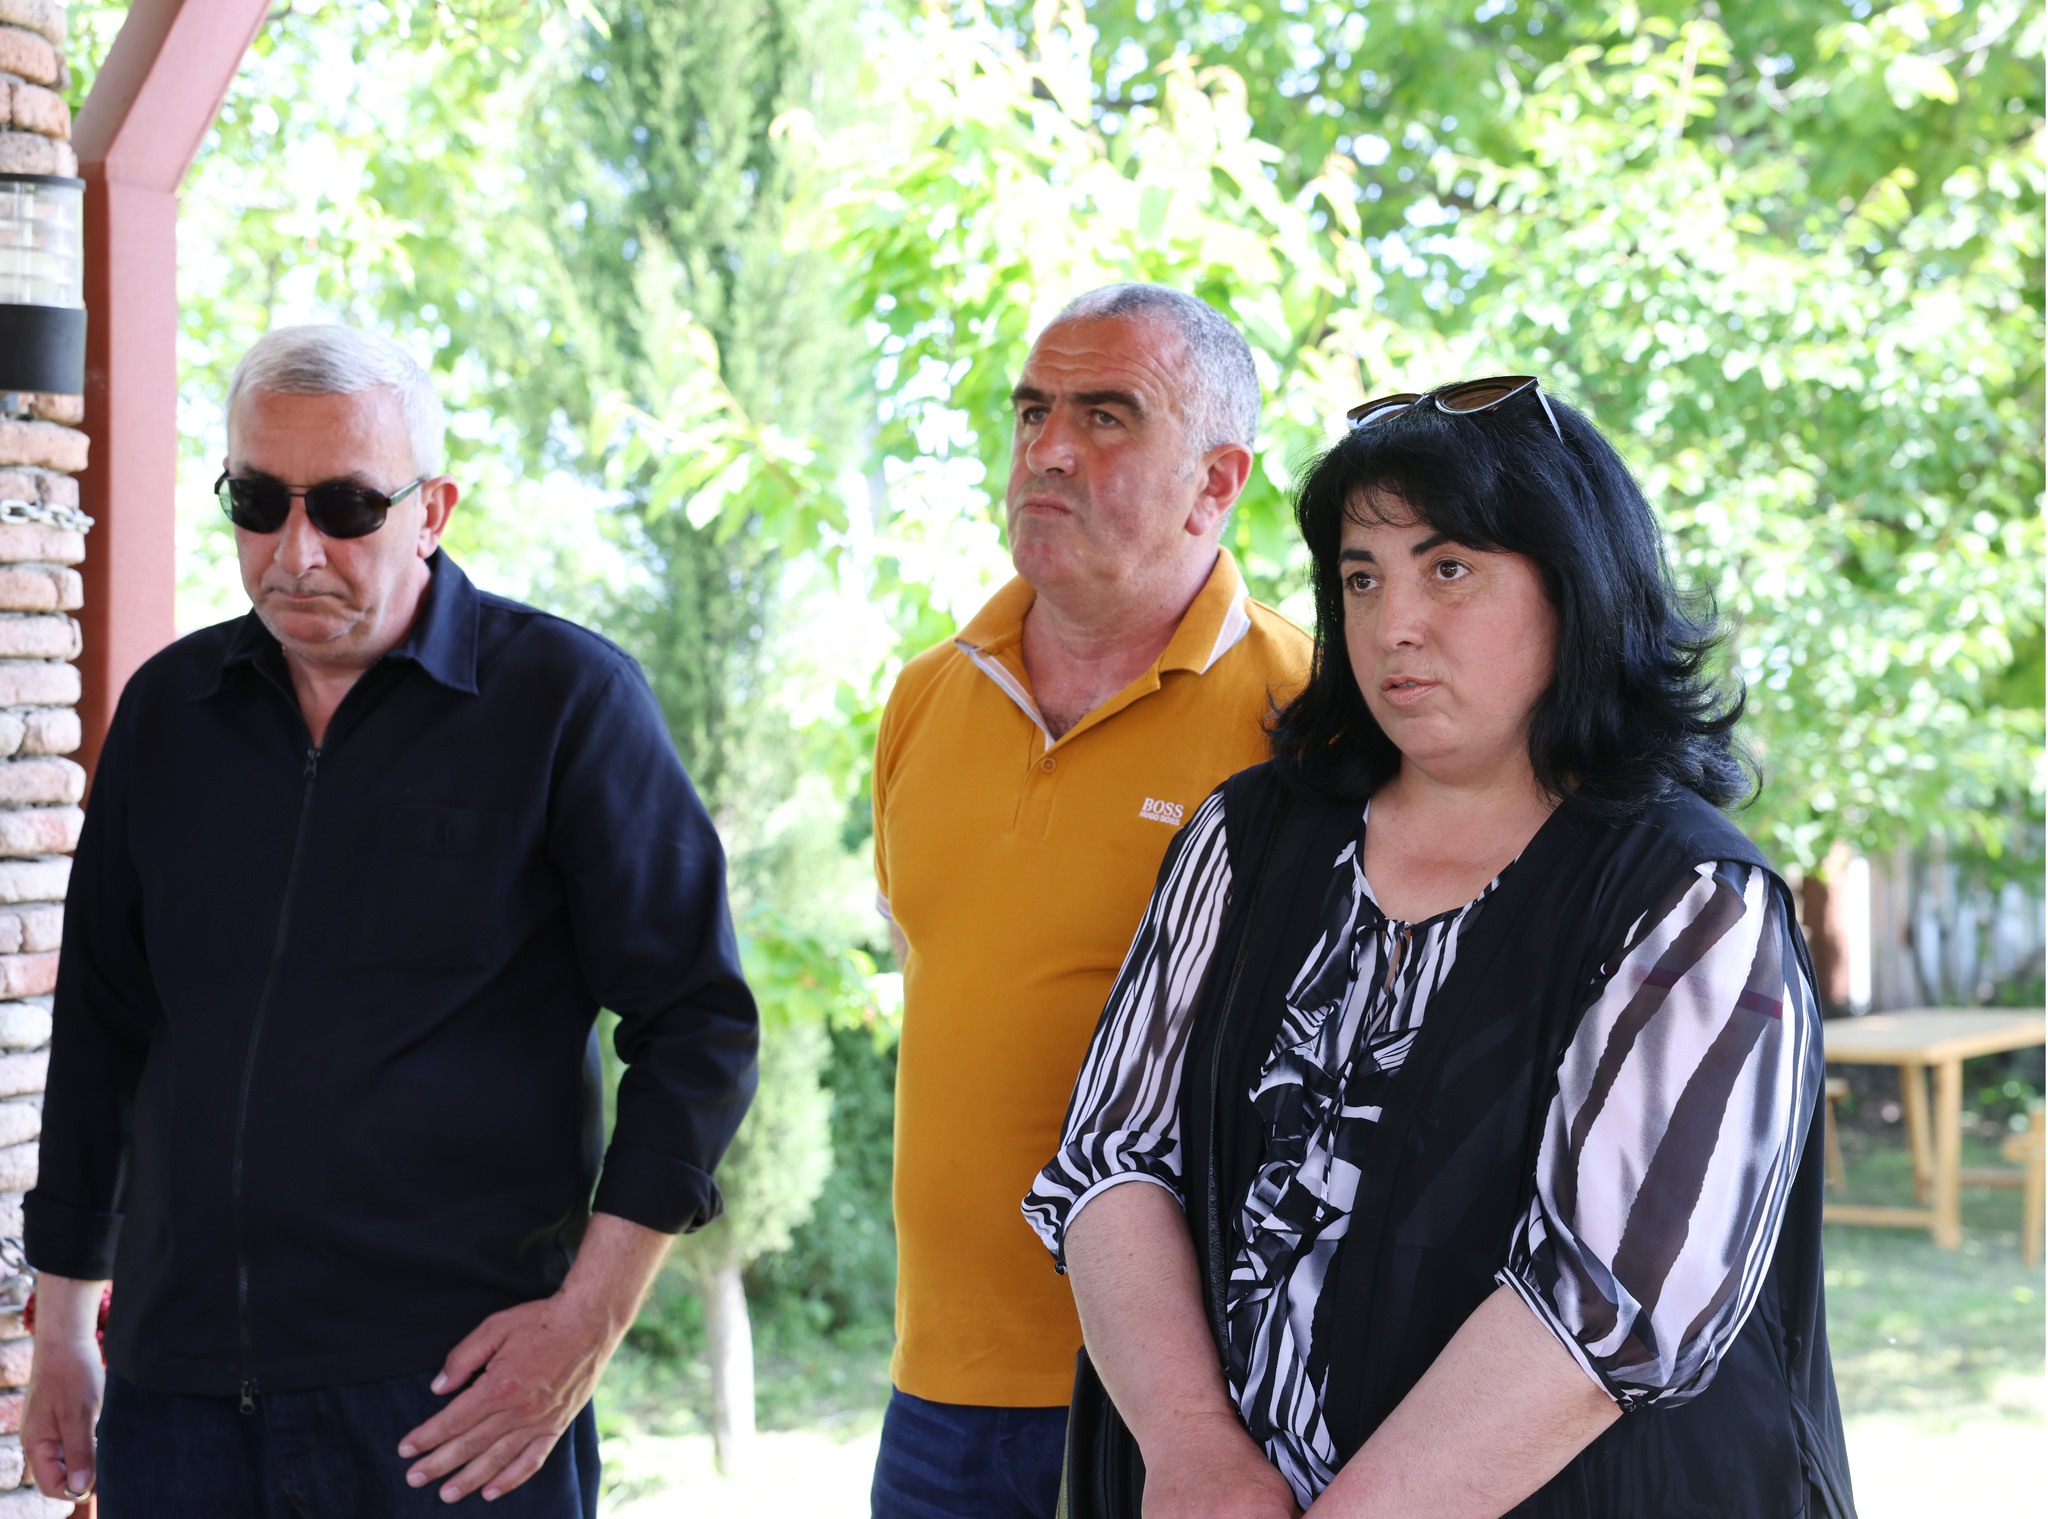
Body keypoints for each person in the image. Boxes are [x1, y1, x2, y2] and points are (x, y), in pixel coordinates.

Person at [1025, 377, 1856, 1518]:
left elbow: (1607, 1306)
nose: (1392, 625)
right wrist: (1193, 1449)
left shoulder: (1691, 899)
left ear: (1576, 586)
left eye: (1448, 568)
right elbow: (1111, 1158)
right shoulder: (1243, 836)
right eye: (1361, 577)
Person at [20, 325, 759, 1516]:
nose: (295, 550)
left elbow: (699, 1030)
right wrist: (62, 1326)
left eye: (347, 507)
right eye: (257, 502)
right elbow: (100, 1029)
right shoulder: (167, 716)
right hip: (175, 1399)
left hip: (452, 1411)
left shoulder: (566, 704)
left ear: (432, 511)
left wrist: (586, 1322)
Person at [869, 284, 1311, 1517]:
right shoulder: (924, 696)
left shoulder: (1311, 720)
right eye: (1032, 412)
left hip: (1199, 1411)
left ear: (1214, 483)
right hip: (935, 1391)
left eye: (1105, 415)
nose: (1047, 450)